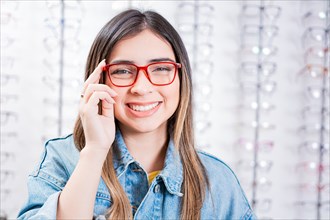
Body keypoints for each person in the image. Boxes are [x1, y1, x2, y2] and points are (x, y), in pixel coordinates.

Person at [18, 9, 256, 220]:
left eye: (161, 68)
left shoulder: (218, 182)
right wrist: (95, 150)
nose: (141, 87)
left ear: (182, 79)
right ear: (98, 80)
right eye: (122, 71)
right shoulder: (63, 160)